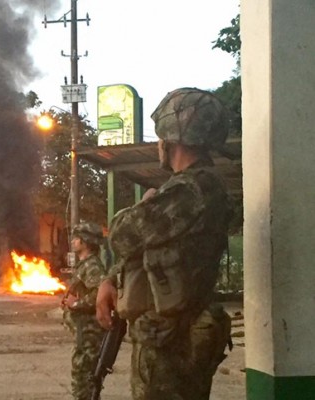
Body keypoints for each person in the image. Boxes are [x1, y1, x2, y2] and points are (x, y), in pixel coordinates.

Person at [96, 88, 233, 400]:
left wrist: (139, 207)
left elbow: (122, 234)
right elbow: (146, 247)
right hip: (170, 335)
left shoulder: (191, 190)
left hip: (172, 342)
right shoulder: (195, 187)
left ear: (172, 139)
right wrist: (110, 277)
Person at [62, 222, 107, 400]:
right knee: (82, 381)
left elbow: (100, 294)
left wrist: (77, 303)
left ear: (86, 242)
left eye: (77, 238)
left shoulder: (92, 266)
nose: (73, 241)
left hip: (89, 335)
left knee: (84, 382)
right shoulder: (85, 265)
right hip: (83, 334)